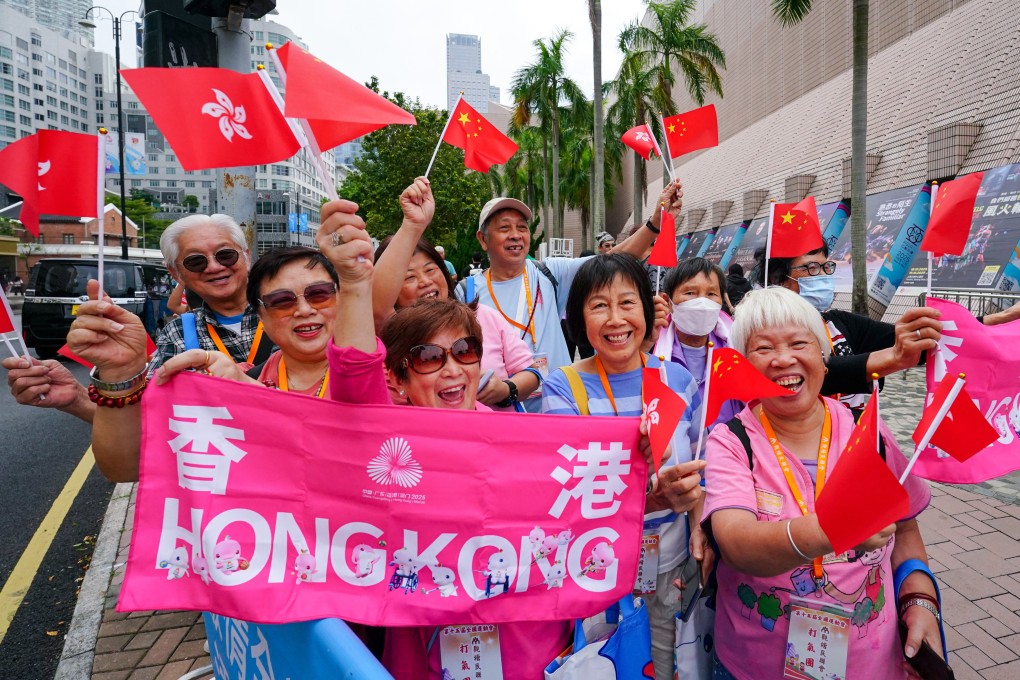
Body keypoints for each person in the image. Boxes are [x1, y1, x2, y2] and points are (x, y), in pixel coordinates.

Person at [319, 197, 572, 679]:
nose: (453, 368)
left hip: (529, 649)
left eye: (464, 350)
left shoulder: (521, 438)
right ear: (396, 378)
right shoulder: (388, 443)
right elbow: (353, 373)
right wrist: (353, 283)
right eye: (429, 357)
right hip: (427, 650)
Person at [702, 286, 938, 680]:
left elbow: (906, 529)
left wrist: (920, 601)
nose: (783, 359)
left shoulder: (868, 430)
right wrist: (834, 530)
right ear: (743, 364)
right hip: (753, 666)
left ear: (823, 357)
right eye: (762, 349)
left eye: (799, 343)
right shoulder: (732, 441)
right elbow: (737, 544)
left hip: (871, 663)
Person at [541, 253, 706, 680]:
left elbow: (701, 472)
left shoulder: (679, 381)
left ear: (648, 310)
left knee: (668, 665)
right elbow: (564, 493)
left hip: (671, 565)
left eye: (627, 303)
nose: (616, 319)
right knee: (603, 666)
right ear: (580, 317)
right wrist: (646, 490)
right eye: (599, 305)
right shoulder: (563, 388)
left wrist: (700, 523)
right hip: (595, 569)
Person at [70, 245, 340, 481]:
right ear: (261, 315)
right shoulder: (235, 383)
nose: (304, 310)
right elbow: (125, 468)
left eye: (319, 294)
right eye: (281, 301)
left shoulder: (379, 375)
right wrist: (120, 372)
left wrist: (253, 392)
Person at [2, 213, 272, 422]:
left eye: (225, 255)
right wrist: (77, 400)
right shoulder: (178, 334)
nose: (214, 266)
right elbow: (147, 426)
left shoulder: (296, 310)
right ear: (177, 274)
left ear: (246, 257)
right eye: (196, 261)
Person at [459, 180, 683, 410]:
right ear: (483, 239)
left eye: (522, 228)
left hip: (561, 405)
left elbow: (613, 260)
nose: (515, 235)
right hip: (497, 417)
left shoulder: (550, 273)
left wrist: (655, 223)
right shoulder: (466, 293)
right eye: (504, 228)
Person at [371, 177, 541, 410]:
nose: (425, 281)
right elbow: (376, 306)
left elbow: (530, 371)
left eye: (465, 350)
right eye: (409, 277)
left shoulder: (481, 315)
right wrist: (412, 225)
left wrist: (505, 390)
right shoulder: (388, 334)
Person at [751, 244, 944, 408]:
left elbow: (907, 340)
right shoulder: (761, 331)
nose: (822, 275)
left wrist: (936, 329)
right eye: (811, 268)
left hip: (851, 442)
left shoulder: (838, 323)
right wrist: (893, 357)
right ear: (779, 279)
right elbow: (815, 372)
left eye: (826, 267)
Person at [660, 257, 743, 434]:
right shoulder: (653, 351)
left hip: (731, 453)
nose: (703, 303)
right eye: (690, 293)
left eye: (711, 294)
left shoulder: (739, 347)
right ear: (669, 301)